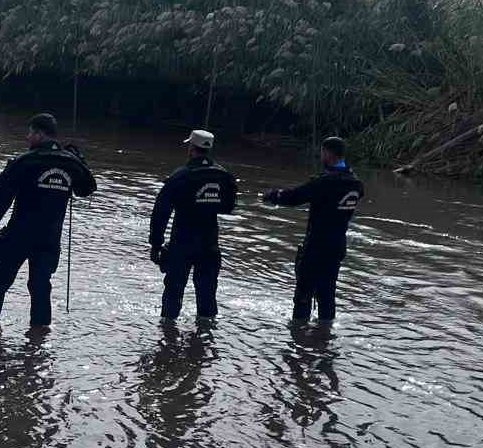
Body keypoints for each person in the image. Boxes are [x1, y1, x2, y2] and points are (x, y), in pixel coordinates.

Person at [0, 112, 97, 326]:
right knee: (41, 288)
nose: (27, 137)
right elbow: (88, 188)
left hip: (18, 236)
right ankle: (39, 342)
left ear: (40, 134)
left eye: (30, 133)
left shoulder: (25, 161)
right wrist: (79, 160)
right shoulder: (71, 163)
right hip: (49, 239)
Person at [261, 135, 363, 324]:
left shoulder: (324, 182)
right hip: (337, 246)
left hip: (316, 246)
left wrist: (272, 195)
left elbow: (294, 197)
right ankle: (324, 337)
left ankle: (299, 338)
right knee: (327, 294)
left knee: (303, 294)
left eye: (322, 153)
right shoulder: (356, 183)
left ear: (327, 153)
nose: (320, 156)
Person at [148, 128, 237, 322]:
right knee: (207, 300)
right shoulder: (223, 176)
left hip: (182, 245)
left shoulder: (180, 176)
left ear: (191, 148)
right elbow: (229, 206)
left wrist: (155, 244)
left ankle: (167, 340)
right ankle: (204, 342)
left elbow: (160, 213)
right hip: (210, 246)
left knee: (173, 297)